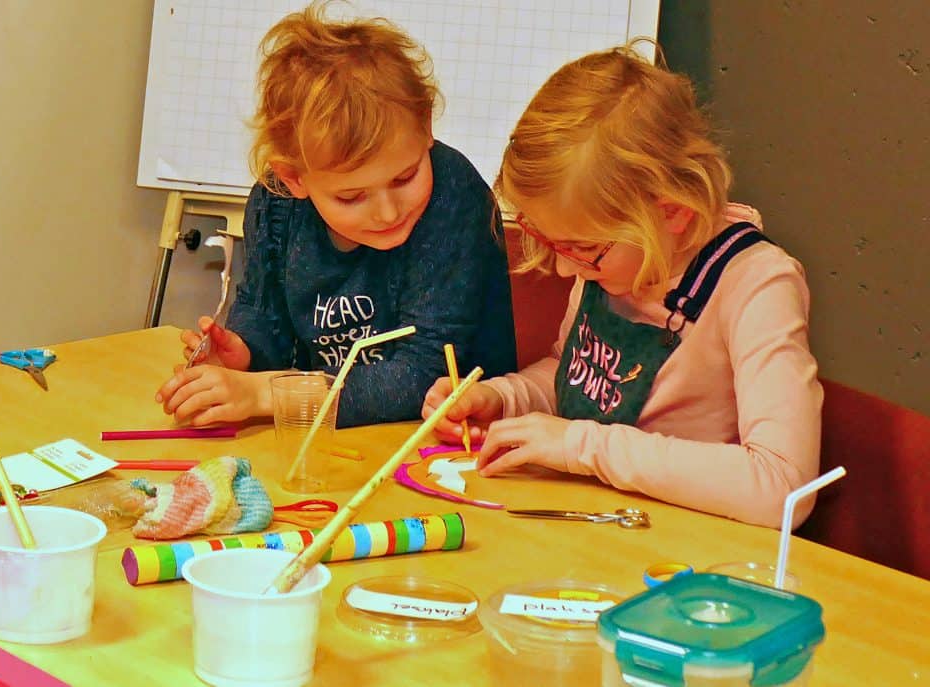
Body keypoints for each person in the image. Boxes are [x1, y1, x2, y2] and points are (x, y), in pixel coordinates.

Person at [422, 43, 822, 528]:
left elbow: (783, 488)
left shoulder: (756, 284)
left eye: (582, 250)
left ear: (672, 213)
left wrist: (579, 445)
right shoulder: (616, 256)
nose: (567, 271)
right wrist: (503, 401)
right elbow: (582, 381)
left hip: (693, 559)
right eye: (549, 243)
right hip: (596, 527)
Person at [156, 1, 516, 428]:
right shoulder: (275, 203)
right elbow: (263, 314)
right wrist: (244, 354)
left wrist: (267, 392)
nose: (387, 211)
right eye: (351, 197)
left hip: (448, 449)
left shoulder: (454, 195)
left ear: (426, 128)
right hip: (329, 433)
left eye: (404, 178)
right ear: (294, 180)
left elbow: (425, 374)